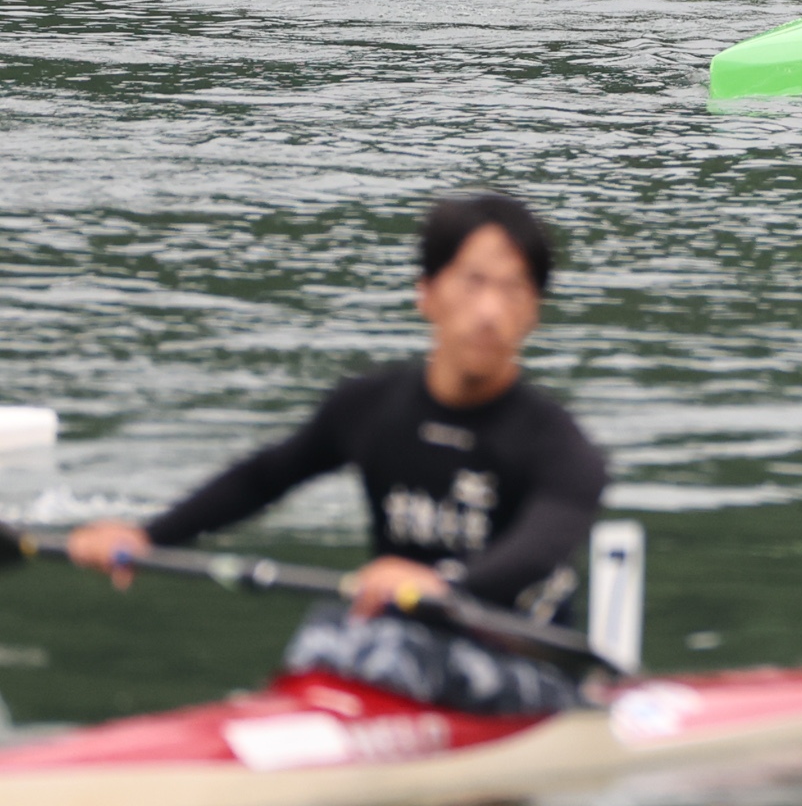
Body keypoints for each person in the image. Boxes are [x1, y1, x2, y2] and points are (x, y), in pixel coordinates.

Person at [67, 193, 608, 712]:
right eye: (473, 282)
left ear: (534, 311)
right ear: (426, 293)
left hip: (526, 663)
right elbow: (262, 479)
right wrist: (147, 537)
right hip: (397, 641)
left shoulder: (561, 446)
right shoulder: (370, 408)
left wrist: (444, 586)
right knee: (325, 630)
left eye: (513, 289)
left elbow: (538, 550)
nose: (490, 310)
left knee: (395, 650)